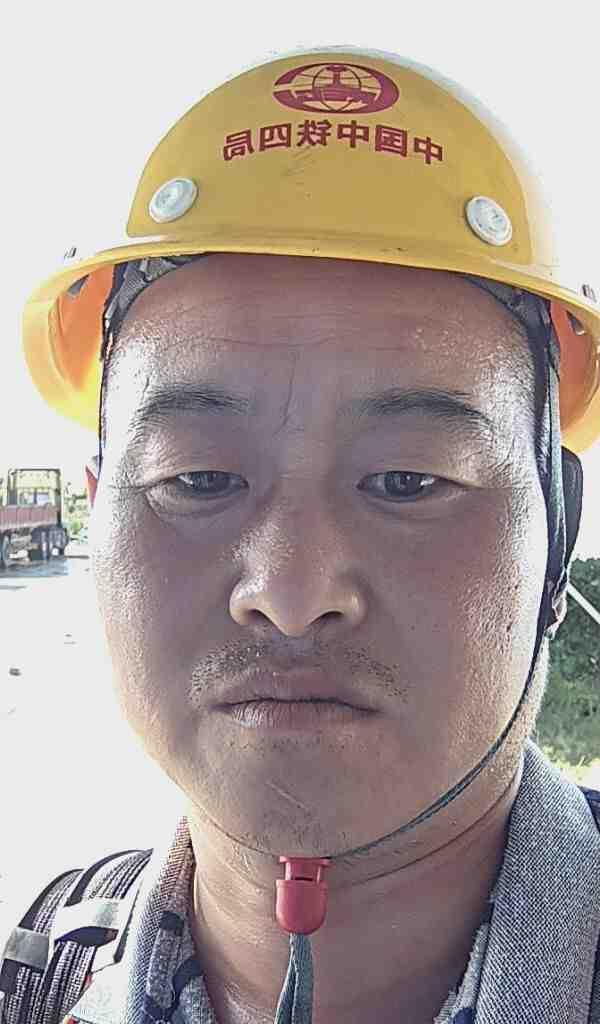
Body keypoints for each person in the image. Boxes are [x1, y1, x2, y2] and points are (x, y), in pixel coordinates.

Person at [2, 48, 600, 1024]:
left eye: (409, 481)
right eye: (198, 478)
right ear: (98, 517)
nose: (288, 590)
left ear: (556, 535)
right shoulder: (35, 971)